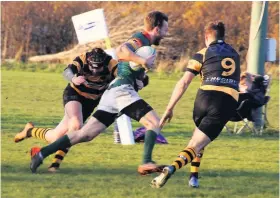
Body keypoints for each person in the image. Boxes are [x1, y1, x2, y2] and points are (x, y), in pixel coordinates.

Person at [29, 11, 169, 175]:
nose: (166, 33)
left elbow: (128, 66)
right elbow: (121, 51)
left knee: (85, 134)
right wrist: (142, 61)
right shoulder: (140, 38)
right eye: (166, 28)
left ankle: (41, 154)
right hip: (122, 91)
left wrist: (140, 77)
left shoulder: (146, 44)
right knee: (153, 123)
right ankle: (146, 162)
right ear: (157, 27)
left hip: (114, 92)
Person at [151, 21, 241, 188]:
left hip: (203, 99)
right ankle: (171, 168)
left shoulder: (202, 53)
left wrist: (169, 109)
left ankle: (193, 177)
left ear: (207, 37)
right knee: (196, 144)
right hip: (225, 102)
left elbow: (184, 82)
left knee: (197, 138)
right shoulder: (235, 54)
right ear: (223, 36)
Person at [14, 48, 119, 172]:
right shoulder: (83, 58)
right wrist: (73, 79)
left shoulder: (113, 65)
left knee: (55, 137)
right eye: (92, 68)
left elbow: (124, 79)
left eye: (99, 68)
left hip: (91, 101)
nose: (95, 71)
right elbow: (67, 72)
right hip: (74, 93)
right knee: (76, 125)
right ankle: (55, 164)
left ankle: (30, 131)